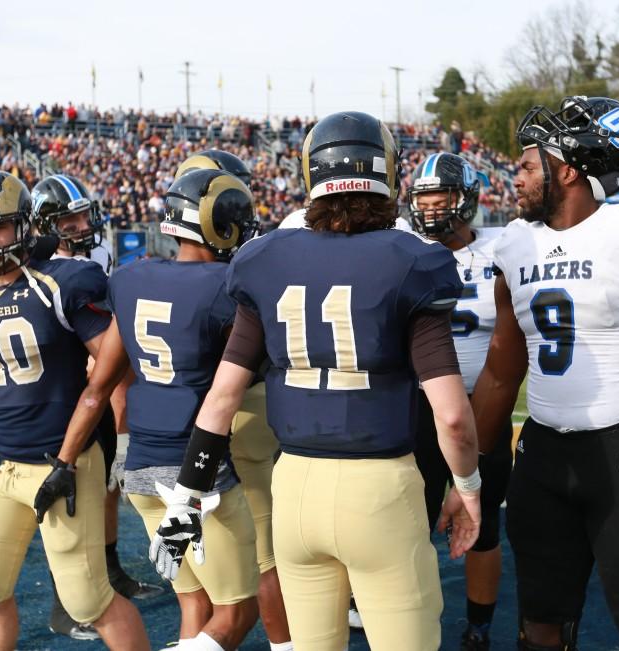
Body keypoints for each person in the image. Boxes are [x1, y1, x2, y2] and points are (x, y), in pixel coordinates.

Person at [150, 111, 482, 651]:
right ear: (388, 174)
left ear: (311, 175)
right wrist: (467, 488)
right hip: (380, 489)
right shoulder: (414, 261)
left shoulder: (266, 259)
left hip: (296, 489)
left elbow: (221, 400)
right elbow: (450, 415)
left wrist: (186, 499)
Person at [470, 96, 619, 651]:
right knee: (540, 624)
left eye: (528, 165)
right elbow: (502, 377)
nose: (516, 178)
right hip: (543, 457)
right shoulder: (513, 245)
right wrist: (470, 473)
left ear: (567, 169)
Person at [0, 170, 150, 651]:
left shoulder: (62, 282)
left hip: (63, 459)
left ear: (22, 226)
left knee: (89, 599)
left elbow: (112, 369)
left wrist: (117, 443)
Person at [46, 167, 263, 651]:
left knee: (195, 603)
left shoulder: (130, 277)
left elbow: (98, 385)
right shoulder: (227, 288)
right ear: (221, 224)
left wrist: (71, 459)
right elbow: (244, 378)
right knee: (237, 611)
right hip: (199, 472)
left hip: (142, 468)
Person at [30, 172, 159, 641]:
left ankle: (110, 571)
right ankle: (64, 603)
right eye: (70, 218)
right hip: (62, 393)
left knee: (104, 485)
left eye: (85, 213)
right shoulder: (38, 268)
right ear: (45, 226)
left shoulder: (96, 258)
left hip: (98, 387)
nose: (83, 224)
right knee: (65, 497)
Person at [176, 149, 293, 649]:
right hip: (244, 411)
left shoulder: (148, 273)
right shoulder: (250, 263)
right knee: (266, 552)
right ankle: (286, 644)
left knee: (199, 569)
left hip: (178, 426)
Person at [408, 151, 512, 650]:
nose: (429, 209)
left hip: (484, 407)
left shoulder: (503, 248)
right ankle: (407, 618)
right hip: (419, 408)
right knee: (412, 521)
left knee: (484, 522)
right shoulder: (402, 249)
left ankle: (479, 626)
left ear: (466, 199)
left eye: (440, 197)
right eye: (422, 198)